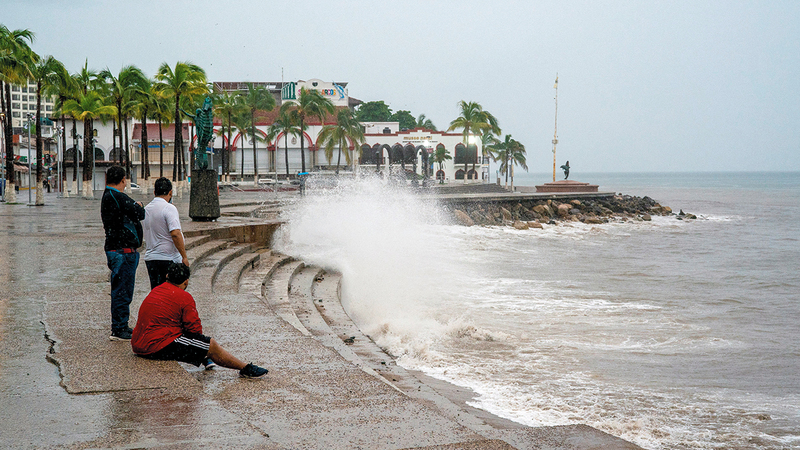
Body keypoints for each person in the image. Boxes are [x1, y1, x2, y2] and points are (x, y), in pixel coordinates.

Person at [131, 263, 269, 378]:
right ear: (186, 281)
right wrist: (204, 349)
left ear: (167, 277)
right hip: (155, 346)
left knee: (194, 340)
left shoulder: (156, 290)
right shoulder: (184, 297)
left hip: (139, 343)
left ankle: (205, 358)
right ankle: (245, 368)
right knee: (210, 345)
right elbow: (195, 331)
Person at [101, 165, 145, 341]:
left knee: (122, 290)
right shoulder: (117, 196)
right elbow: (140, 213)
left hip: (119, 251)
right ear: (123, 180)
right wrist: (139, 205)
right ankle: (119, 328)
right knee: (122, 291)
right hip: (122, 253)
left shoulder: (110, 196)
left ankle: (121, 325)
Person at [143, 177, 189, 290]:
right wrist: (184, 257)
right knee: (171, 293)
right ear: (170, 192)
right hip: (168, 259)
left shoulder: (146, 209)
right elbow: (175, 233)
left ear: (154, 192)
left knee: (157, 292)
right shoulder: (169, 208)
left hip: (151, 259)